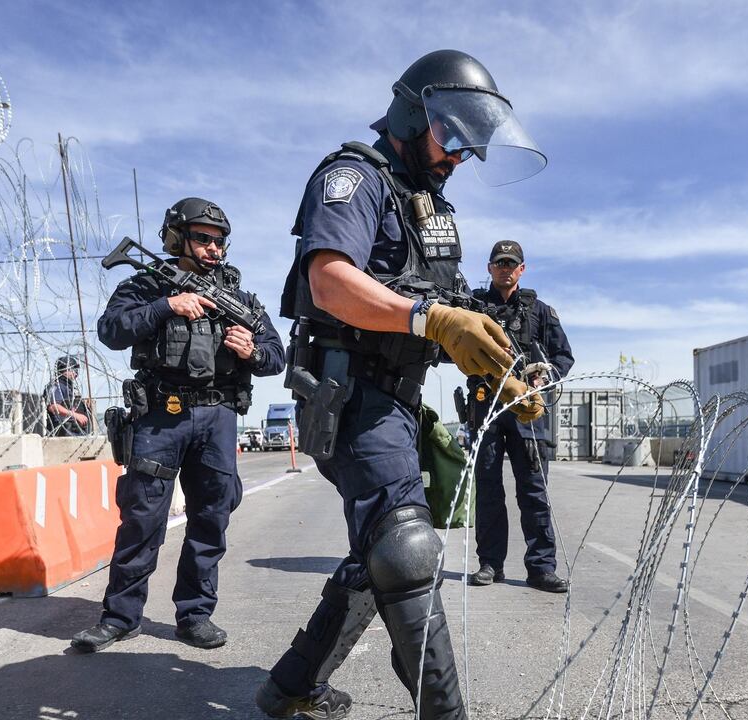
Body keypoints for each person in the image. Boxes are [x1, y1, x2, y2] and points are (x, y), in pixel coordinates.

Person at [259, 49, 547, 720]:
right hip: (348, 394)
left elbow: (431, 321)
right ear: (411, 114)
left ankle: (290, 687)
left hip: (394, 398)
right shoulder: (354, 178)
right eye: (450, 135)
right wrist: (432, 317)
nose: (458, 157)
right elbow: (329, 280)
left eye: (469, 145)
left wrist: (497, 370)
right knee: (408, 547)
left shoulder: (427, 208)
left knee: (377, 558)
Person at [71, 197, 284, 652]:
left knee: (211, 518)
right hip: (161, 416)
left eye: (219, 241)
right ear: (177, 238)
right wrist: (167, 305)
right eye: (203, 238)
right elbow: (112, 330)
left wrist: (253, 351)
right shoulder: (149, 285)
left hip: (218, 417)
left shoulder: (241, 300)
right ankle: (120, 617)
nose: (213, 248)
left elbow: (276, 355)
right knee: (143, 517)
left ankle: (195, 614)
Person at [465, 240, 574, 593]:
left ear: (522, 269)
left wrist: (544, 377)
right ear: (489, 268)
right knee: (489, 489)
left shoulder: (540, 311)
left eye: (512, 264)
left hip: (527, 408)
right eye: (499, 263)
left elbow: (563, 357)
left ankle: (541, 569)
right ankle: (490, 564)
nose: (505, 269)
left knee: (533, 490)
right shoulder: (475, 308)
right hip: (487, 406)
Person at [43, 355, 90, 436]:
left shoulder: (67, 386)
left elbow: (68, 405)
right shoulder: (57, 385)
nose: (75, 373)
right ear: (64, 369)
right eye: (73, 369)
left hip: (73, 432)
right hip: (62, 433)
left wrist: (83, 405)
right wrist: (76, 415)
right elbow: (53, 406)